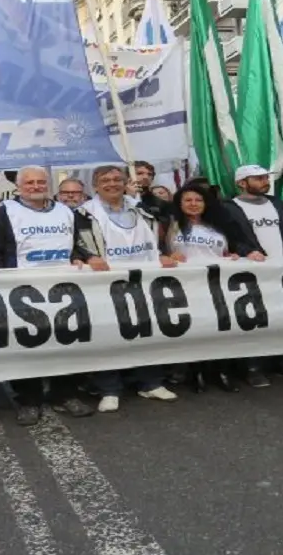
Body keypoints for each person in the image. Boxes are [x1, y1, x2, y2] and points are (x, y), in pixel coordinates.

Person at [0, 166, 100, 423]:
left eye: (40, 182)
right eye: (29, 183)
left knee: (66, 342)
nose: (35, 187)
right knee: (26, 346)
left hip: (63, 290)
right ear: (19, 187)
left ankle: (64, 394)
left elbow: (78, 244)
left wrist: (82, 257)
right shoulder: (2, 215)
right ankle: (28, 399)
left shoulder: (66, 212)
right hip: (21, 292)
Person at [75, 165, 180, 412]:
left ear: (125, 182)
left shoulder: (141, 209)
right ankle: (109, 388)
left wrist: (162, 255)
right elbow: (75, 244)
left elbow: (155, 239)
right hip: (104, 283)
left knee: (147, 330)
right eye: (105, 180)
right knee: (108, 335)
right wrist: (88, 257)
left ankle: (151, 382)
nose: (112, 184)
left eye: (117, 179)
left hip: (143, 280)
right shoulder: (83, 213)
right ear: (95, 185)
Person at [166, 182, 257, 391]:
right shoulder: (171, 224)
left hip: (217, 285)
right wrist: (168, 255)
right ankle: (195, 372)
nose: (193, 204)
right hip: (186, 286)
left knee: (221, 328)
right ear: (179, 204)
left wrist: (238, 254)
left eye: (198, 200)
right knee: (195, 330)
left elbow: (236, 247)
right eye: (188, 200)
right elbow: (159, 251)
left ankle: (221, 371)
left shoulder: (218, 225)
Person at [222, 165, 283, 386]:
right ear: (241, 183)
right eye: (258, 178)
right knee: (254, 319)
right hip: (252, 272)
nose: (265, 181)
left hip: (282, 269)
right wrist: (247, 251)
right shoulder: (230, 207)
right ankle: (253, 365)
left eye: (265, 177)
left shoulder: (276, 203)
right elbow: (230, 237)